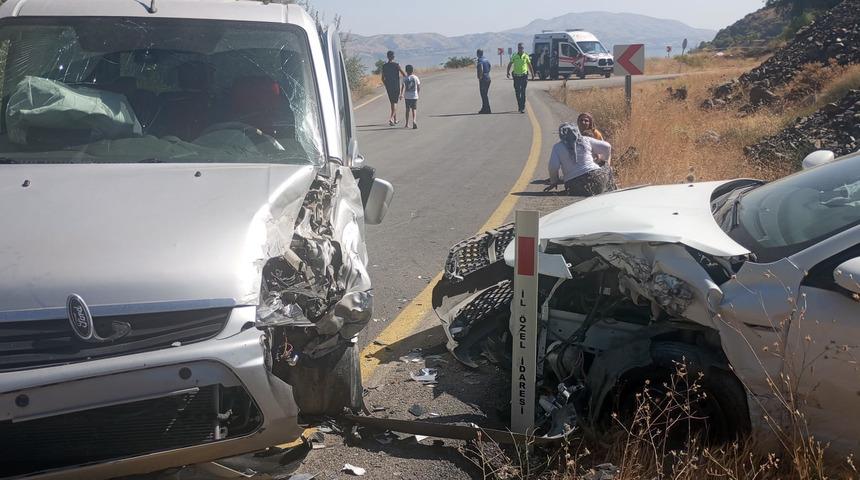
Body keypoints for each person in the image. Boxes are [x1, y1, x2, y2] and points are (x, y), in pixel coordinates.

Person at [544, 123, 616, 196]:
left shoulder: (557, 147)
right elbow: (607, 146)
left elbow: (553, 166)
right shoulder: (586, 140)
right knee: (607, 166)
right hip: (597, 179)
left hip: (573, 186)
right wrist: (601, 161)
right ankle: (611, 192)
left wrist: (554, 181)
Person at [506, 43, 535, 113]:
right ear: (517, 48)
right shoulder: (514, 55)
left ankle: (522, 107)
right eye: (519, 47)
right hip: (516, 76)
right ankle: (519, 106)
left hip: (524, 76)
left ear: (523, 48)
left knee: (523, 91)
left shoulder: (526, 56)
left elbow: (529, 65)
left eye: (521, 48)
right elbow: (510, 64)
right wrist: (508, 72)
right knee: (517, 92)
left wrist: (532, 74)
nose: (520, 49)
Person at [381, 50, 405, 126]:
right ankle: (391, 119)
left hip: (389, 87)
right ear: (393, 57)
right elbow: (404, 74)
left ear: (387, 56)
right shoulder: (396, 65)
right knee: (395, 103)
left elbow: (382, 78)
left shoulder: (384, 66)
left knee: (392, 103)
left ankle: (395, 119)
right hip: (396, 86)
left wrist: (386, 85)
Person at [400, 64, 420, 129]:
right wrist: (417, 93)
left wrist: (401, 94)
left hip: (407, 96)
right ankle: (414, 120)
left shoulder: (405, 78)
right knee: (414, 109)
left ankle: (407, 123)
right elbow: (418, 86)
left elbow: (403, 86)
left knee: (407, 109)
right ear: (412, 70)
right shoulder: (415, 77)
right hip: (414, 96)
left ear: (406, 70)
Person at [476, 49, 492, 114]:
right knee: (485, 94)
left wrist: (480, 76)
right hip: (488, 78)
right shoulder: (486, 59)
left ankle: (487, 109)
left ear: (478, 54)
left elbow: (481, 68)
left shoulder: (480, 60)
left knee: (484, 95)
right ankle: (484, 108)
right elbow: (489, 66)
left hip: (483, 79)